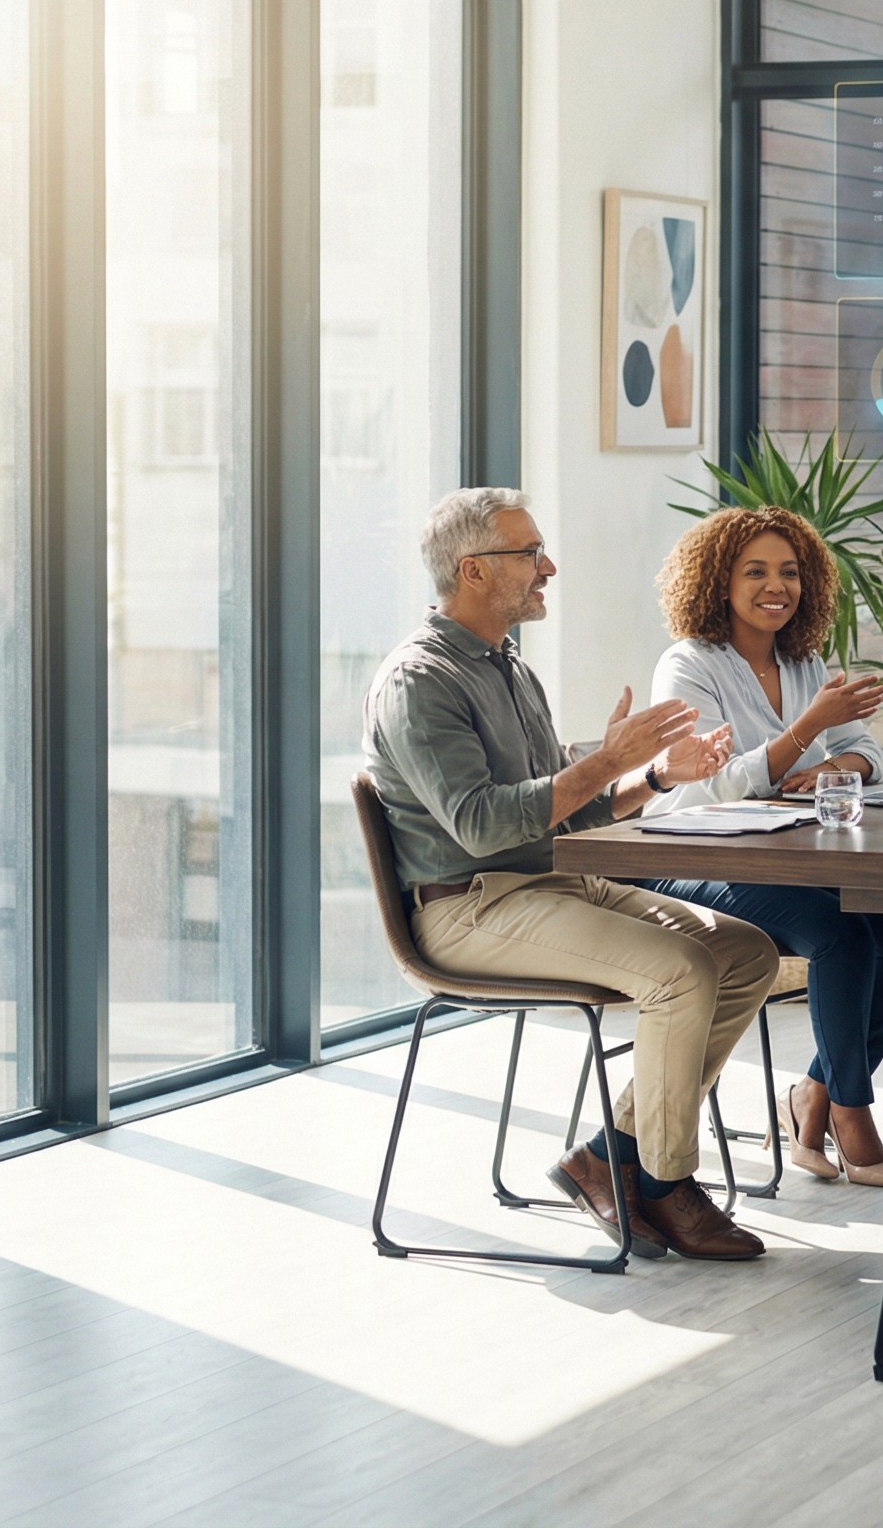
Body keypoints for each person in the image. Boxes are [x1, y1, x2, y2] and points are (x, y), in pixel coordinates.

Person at [363, 487, 780, 1261]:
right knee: (683, 970)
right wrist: (604, 761)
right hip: (468, 908)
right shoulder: (420, 682)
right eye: (531, 554)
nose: (548, 567)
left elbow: (566, 807)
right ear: (474, 570)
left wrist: (652, 776)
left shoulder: (510, 669)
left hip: (546, 885)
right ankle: (666, 1183)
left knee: (745, 951)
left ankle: (609, 1155)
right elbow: (484, 823)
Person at [645, 506, 883, 1187]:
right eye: (754, 571)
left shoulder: (803, 661)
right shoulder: (689, 665)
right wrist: (804, 733)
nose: (775, 586)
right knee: (835, 931)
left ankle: (811, 1095)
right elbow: (709, 785)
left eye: (789, 572)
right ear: (717, 580)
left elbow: (867, 750)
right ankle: (851, 1110)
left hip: (778, 856)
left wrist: (841, 768)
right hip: (686, 864)